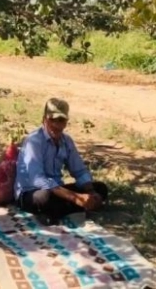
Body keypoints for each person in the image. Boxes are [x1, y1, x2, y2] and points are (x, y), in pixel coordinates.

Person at [14, 97, 109, 226]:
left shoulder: (66, 141)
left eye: (61, 120)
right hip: (32, 192)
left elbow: (79, 171)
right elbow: (38, 180)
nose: (56, 125)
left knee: (101, 188)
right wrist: (74, 197)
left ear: (66, 122)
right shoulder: (34, 141)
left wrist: (91, 192)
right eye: (52, 120)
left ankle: (65, 209)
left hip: (58, 191)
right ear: (44, 119)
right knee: (44, 197)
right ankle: (73, 207)